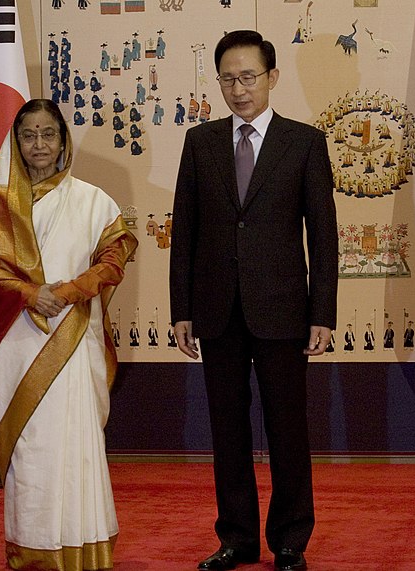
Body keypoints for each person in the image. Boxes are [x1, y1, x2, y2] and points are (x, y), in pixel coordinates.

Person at [169, 30, 338, 571]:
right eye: (227, 78)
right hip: (216, 310)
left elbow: (325, 237)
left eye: (248, 77)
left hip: (283, 308)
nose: (238, 89)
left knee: (289, 430)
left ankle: (290, 540)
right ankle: (236, 538)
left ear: (272, 78)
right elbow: (186, 233)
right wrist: (181, 310)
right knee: (227, 430)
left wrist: (323, 312)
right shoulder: (200, 142)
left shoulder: (305, 142)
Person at [0, 98, 137, 571]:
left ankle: (86, 546)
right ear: (16, 143)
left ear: (63, 140)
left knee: (77, 443)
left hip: (75, 339)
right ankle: (34, 549)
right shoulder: (2, 206)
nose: (39, 144)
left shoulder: (92, 200)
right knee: (33, 448)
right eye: (28, 135)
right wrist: (30, 293)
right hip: (21, 344)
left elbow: (116, 254)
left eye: (48, 134)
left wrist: (71, 291)